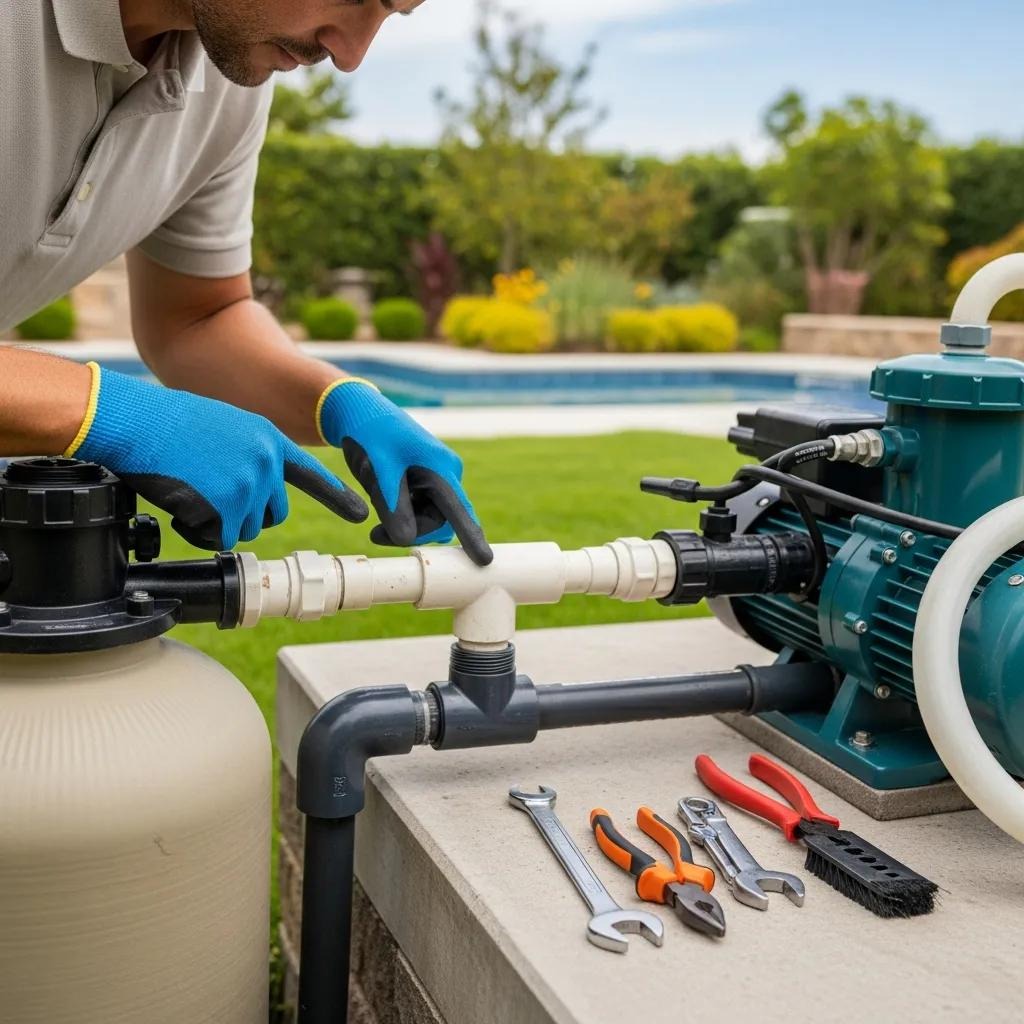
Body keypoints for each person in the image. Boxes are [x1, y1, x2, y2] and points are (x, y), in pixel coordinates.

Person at [0, 0, 492, 565]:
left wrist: (341, 403)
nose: (351, 54)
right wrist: (112, 412)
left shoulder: (231, 82)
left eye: (395, 13)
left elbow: (195, 319)